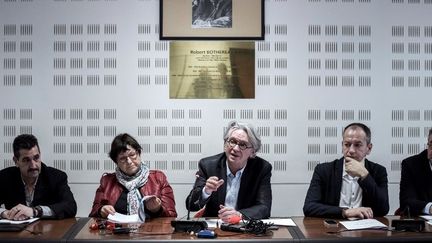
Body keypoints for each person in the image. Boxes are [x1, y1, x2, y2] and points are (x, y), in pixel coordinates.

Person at [186, 121, 272, 222]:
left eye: (243, 145)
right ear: (225, 143)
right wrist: (206, 191)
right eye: (232, 141)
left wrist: (239, 215)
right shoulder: (208, 166)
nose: (235, 148)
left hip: (244, 227)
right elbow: (191, 206)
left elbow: (264, 208)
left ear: (253, 151)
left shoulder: (261, 168)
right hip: (215, 229)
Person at [303, 123, 389, 219]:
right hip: (334, 228)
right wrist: (345, 212)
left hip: (366, 229)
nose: (351, 150)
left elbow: (383, 209)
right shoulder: (324, 170)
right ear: (342, 145)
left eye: (357, 145)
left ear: (368, 148)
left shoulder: (378, 171)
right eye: (347, 145)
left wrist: (364, 175)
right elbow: (309, 207)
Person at [89, 133, 177, 220]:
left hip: (150, 232)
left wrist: (158, 209)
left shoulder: (158, 178)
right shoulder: (107, 181)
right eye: (123, 158)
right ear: (116, 162)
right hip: (117, 232)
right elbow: (93, 214)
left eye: (132, 155)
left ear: (139, 153)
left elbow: (172, 215)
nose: (129, 161)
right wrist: (101, 211)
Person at [0, 134, 77, 220]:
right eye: (26, 160)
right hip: (15, 232)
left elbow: (70, 206)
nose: (33, 165)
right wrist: (4, 213)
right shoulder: (4, 177)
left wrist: (36, 211)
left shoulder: (56, 177)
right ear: (16, 161)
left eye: (36, 158)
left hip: (48, 231)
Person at [399, 128, 432, 216]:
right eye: (431, 144)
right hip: (422, 224)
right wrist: (430, 208)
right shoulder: (411, 165)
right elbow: (406, 202)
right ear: (428, 143)